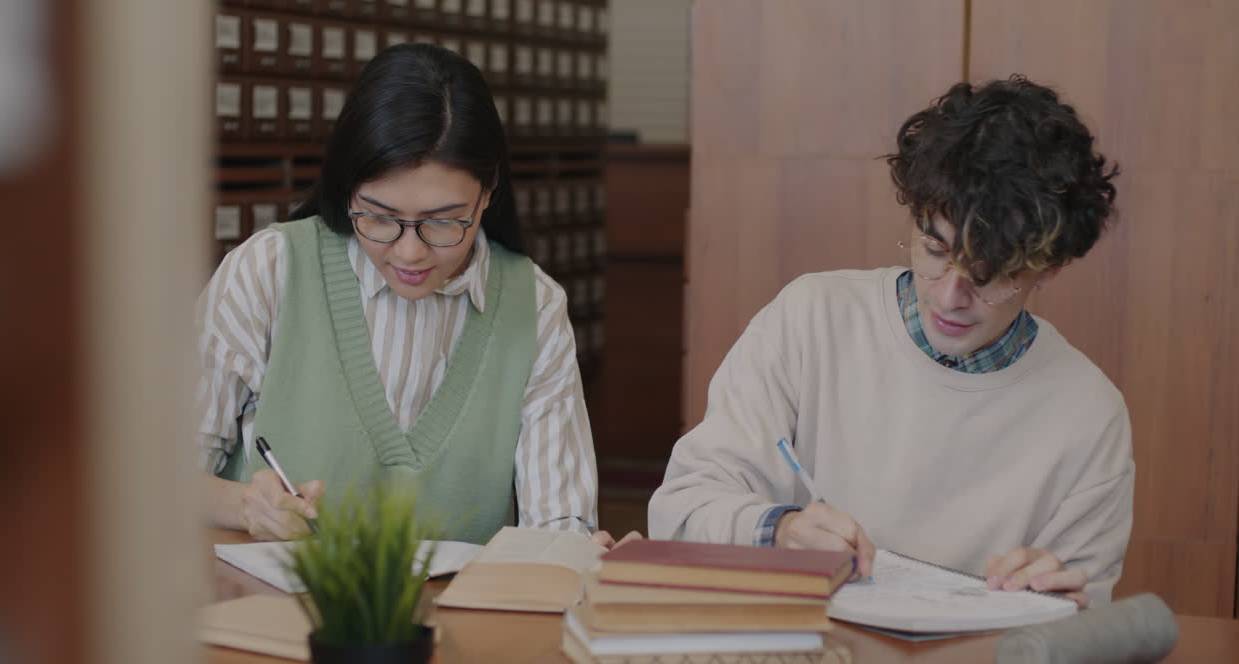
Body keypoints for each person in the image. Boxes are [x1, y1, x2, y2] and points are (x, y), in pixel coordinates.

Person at [648, 76, 1131, 606]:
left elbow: (1086, 624)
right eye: (934, 249)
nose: (949, 297)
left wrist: (1058, 602)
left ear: (1049, 268)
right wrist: (779, 529)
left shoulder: (1088, 414)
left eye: (989, 272)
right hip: (802, 662)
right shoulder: (812, 321)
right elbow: (679, 510)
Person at [197, 44, 633, 548]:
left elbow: (560, 519)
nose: (409, 253)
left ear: (488, 193)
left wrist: (576, 550)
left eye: (444, 221)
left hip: (453, 624)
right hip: (270, 617)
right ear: (346, 189)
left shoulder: (533, 306)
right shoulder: (269, 271)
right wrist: (246, 505)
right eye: (379, 216)